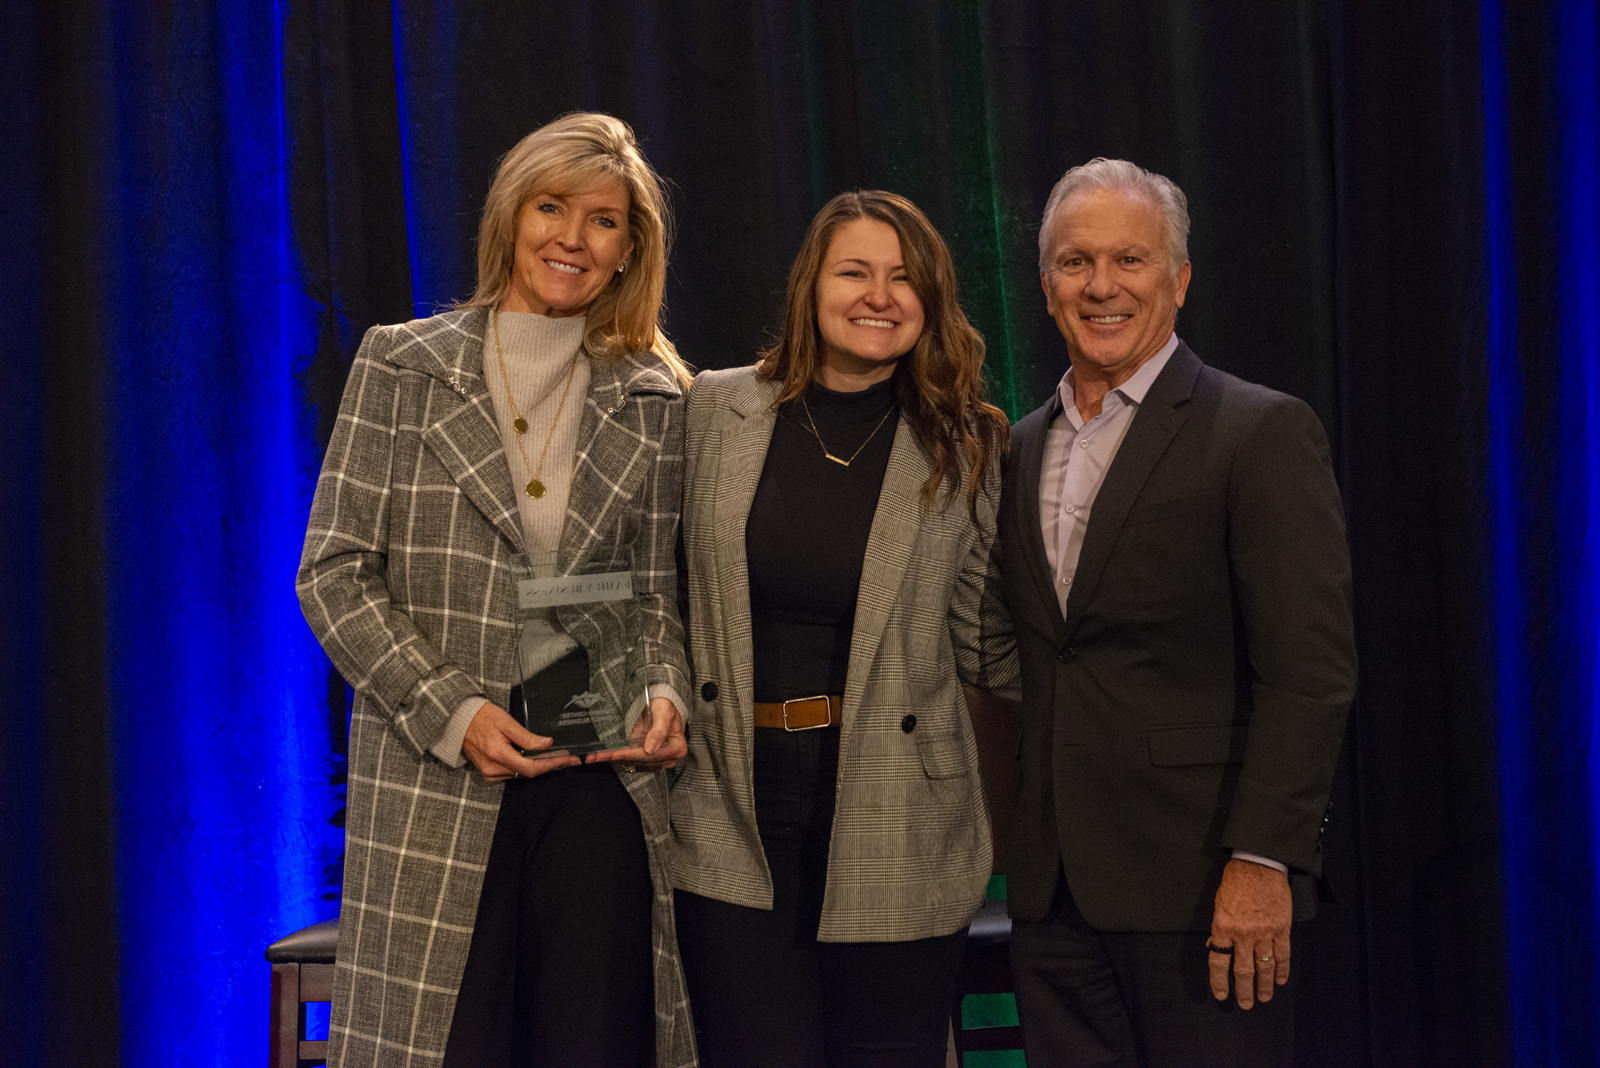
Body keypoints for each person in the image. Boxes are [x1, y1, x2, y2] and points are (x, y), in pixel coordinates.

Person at [297, 112, 696, 1068]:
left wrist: (665, 690)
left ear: (629, 249)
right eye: (551, 207)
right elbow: (334, 573)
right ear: (510, 218)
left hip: (597, 779)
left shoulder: (656, 394)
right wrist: (452, 709)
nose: (572, 237)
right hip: (439, 774)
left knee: (595, 1041)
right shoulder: (404, 365)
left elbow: (655, 597)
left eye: (604, 220)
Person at [997, 157, 1358, 1067]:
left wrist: (1265, 860)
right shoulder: (1018, 446)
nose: (1102, 286)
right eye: (1076, 262)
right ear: (1046, 287)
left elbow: (1310, 674)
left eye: (1130, 259)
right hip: (1051, 898)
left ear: (1180, 279)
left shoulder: (1258, 431)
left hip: (1203, 888)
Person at [668, 190, 1018, 1067]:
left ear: (931, 301)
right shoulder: (712, 409)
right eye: (854, 272)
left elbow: (984, 639)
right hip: (729, 803)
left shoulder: (968, 443)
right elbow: (655, 593)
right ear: (810, 287)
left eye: (904, 278)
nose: (879, 296)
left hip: (901, 807)